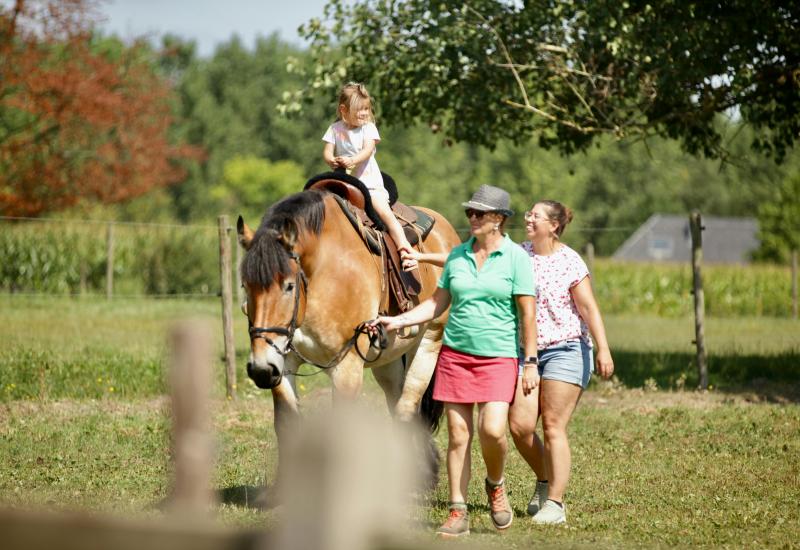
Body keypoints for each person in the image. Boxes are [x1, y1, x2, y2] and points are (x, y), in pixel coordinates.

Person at [369, 185, 538, 538]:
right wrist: (397, 321)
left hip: (498, 356)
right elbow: (436, 303)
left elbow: (528, 315)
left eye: (479, 213)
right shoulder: (458, 256)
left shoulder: (515, 258)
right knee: (458, 436)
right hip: (456, 356)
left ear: (499, 219)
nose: (472, 218)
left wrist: (531, 361)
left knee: (493, 430)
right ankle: (457, 511)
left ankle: (495, 484)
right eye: (469, 212)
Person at [508, 200, 614, 526]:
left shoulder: (570, 261)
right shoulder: (518, 254)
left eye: (535, 216)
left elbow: (589, 308)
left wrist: (603, 349)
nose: (528, 219)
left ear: (553, 225)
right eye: (528, 214)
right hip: (527, 353)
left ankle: (555, 503)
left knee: (553, 426)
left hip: (566, 349)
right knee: (520, 426)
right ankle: (544, 479)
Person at [322, 82, 416, 269]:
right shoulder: (335, 129)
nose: (365, 113)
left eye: (367, 108)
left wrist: (352, 160)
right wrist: (331, 160)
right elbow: (327, 151)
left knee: (384, 213)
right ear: (343, 110)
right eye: (359, 109)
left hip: (368, 182)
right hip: (344, 183)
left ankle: (405, 251)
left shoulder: (368, 128)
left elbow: (367, 150)